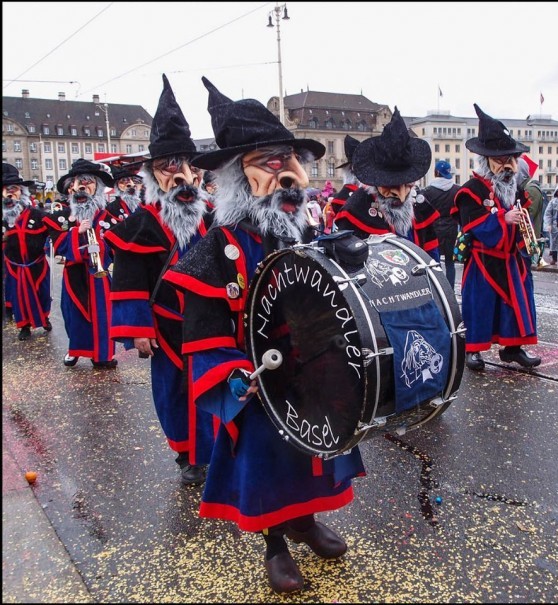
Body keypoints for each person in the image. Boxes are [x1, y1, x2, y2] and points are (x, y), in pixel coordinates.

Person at [162, 76, 365, 594]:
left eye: (290, 162)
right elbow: (201, 327)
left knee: (320, 449)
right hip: (257, 380)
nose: (285, 175)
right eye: (267, 164)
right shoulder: (216, 248)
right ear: (236, 178)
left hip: (312, 372)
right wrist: (233, 373)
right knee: (269, 460)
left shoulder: (307, 234)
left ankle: (305, 520)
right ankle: (276, 541)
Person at [105, 75, 215, 485]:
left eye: (188, 166)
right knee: (174, 394)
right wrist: (138, 330)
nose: (182, 175)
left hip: (207, 323)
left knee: (212, 386)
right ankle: (188, 455)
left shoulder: (210, 216)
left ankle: (212, 449)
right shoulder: (142, 224)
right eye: (170, 167)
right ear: (153, 174)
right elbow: (130, 279)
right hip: (166, 327)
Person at [453, 103, 540, 372]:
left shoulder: (515, 188)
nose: (508, 165)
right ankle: (473, 350)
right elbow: (473, 225)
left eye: (511, 159)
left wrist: (528, 240)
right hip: (483, 259)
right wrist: (502, 220)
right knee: (480, 304)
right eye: (501, 160)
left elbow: (524, 215)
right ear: (487, 161)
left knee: (515, 304)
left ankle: (513, 348)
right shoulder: (471, 190)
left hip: (512, 258)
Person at [334, 108, 440, 260]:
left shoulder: (421, 205)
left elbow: (432, 257)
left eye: (408, 185)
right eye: (392, 186)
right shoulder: (356, 209)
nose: (402, 195)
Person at [52, 158, 118, 368]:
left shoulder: (108, 217)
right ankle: (75, 350)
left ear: (96, 186)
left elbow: (118, 247)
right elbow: (57, 245)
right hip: (74, 275)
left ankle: (102, 355)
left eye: (87, 182)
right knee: (74, 313)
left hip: (99, 276)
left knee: (102, 316)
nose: (80, 188)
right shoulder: (65, 218)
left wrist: (101, 245)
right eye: (76, 183)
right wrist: (75, 233)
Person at [2, 163, 60, 340]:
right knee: (19, 297)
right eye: (4, 190)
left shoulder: (37, 214)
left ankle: (44, 318)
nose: (9, 194)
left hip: (37, 264)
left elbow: (55, 229)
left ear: (22, 192)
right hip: (15, 266)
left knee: (42, 294)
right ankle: (24, 326)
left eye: (13, 189)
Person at [421, 159, 461, 289]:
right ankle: (450, 289)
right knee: (450, 262)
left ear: (436, 172)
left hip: (434, 229)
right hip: (451, 229)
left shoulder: (427, 191)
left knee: (434, 262)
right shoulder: (456, 190)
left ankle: (437, 288)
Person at [543, 186, 558, 266]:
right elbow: (548, 214)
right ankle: (554, 258)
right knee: (554, 242)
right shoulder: (553, 202)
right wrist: (548, 224)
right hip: (555, 224)